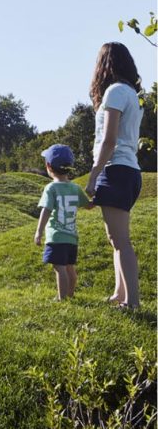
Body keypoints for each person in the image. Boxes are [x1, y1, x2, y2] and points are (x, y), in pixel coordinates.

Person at [84, 42, 143, 309]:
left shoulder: (115, 92)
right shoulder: (132, 93)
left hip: (115, 169)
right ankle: (119, 294)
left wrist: (94, 174)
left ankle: (131, 301)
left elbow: (109, 140)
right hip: (130, 171)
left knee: (121, 241)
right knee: (116, 240)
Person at [34, 144, 93, 301]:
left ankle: (62, 299)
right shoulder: (75, 188)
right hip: (72, 237)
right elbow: (88, 206)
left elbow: (46, 210)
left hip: (56, 236)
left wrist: (38, 232)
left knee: (59, 268)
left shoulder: (51, 188)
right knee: (70, 269)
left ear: (48, 166)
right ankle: (71, 294)